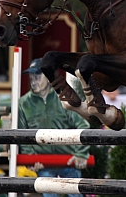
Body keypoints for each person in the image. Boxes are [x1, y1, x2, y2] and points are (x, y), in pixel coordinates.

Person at [18, 58, 90, 197]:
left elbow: (83, 126)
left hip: (69, 161)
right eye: (31, 77)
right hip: (43, 164)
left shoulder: (64, 98)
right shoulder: (23, 103)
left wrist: (80, 154)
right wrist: (30, 159)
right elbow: (22, 134)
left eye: (37, 76)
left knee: (76, 194)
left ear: (48, 76)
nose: (33, 80)